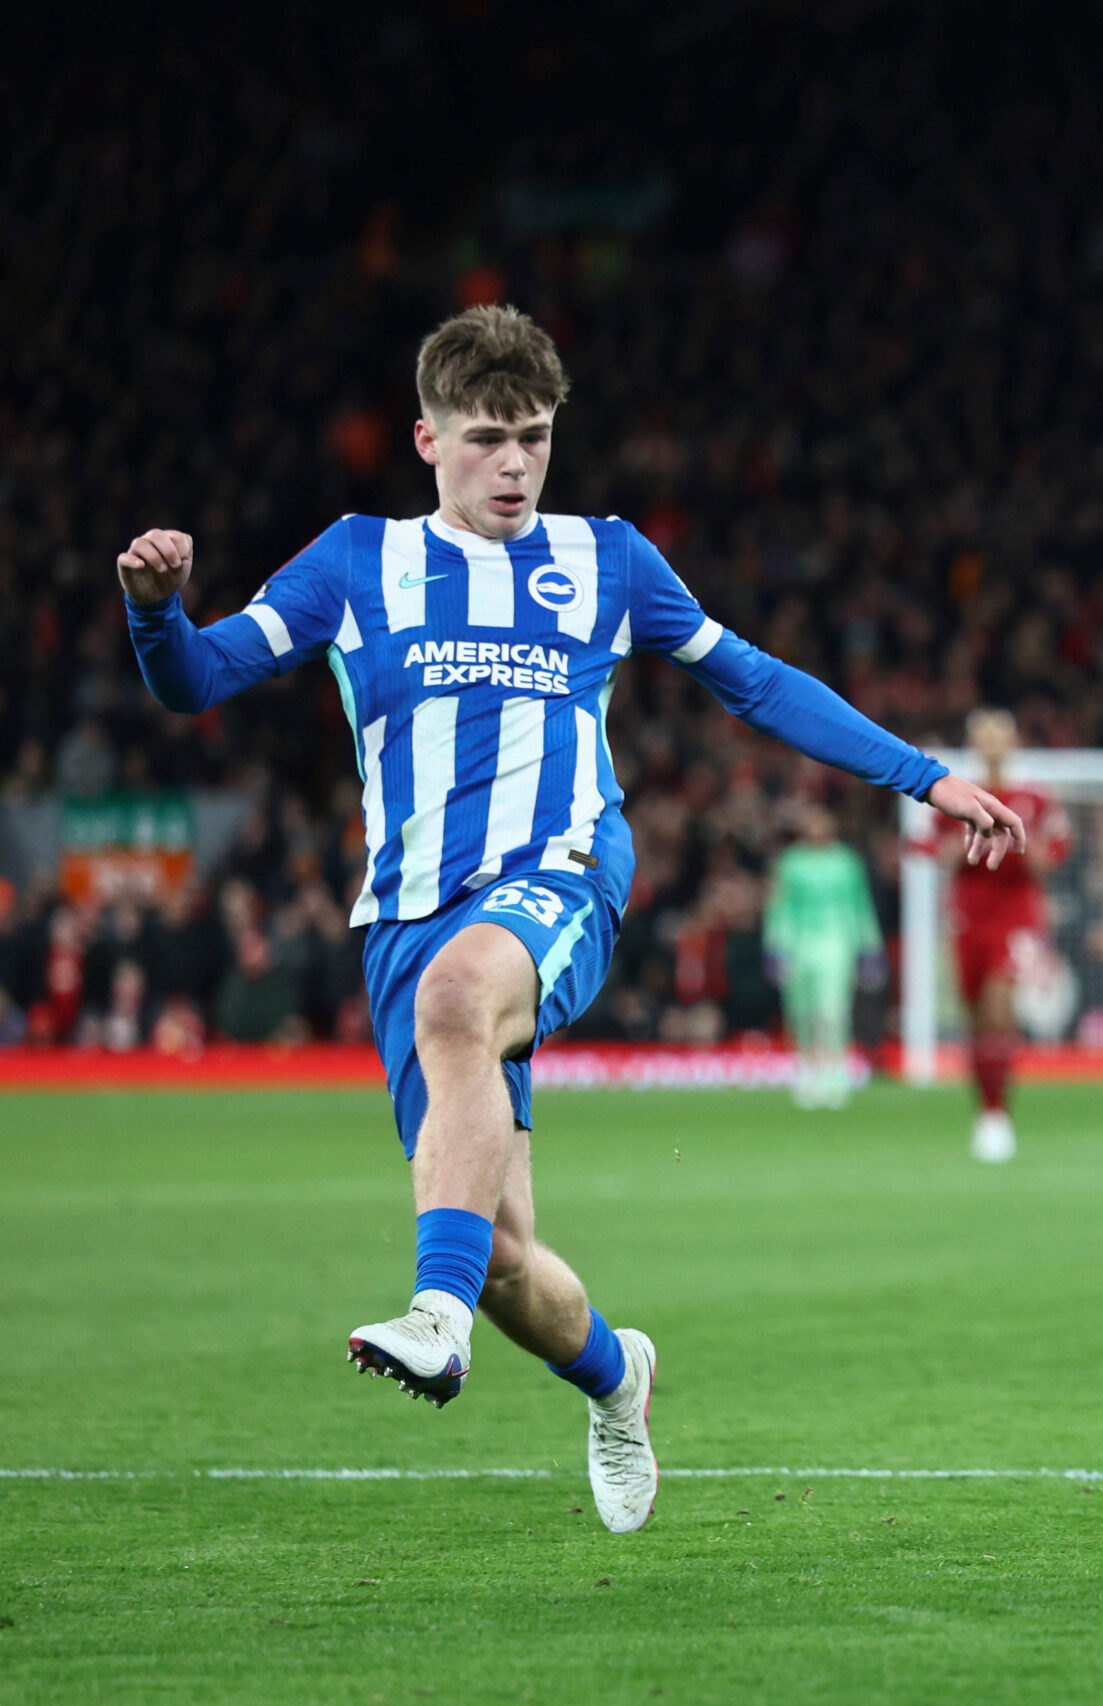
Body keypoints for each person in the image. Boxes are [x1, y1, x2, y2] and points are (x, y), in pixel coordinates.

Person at [118, 306, 1022, 1533]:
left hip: (564, 870)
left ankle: (432, 1317)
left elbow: (754, 680)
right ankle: (613, 1375)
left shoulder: (610, 561)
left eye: (535, 438)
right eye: (487, 438)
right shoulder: (354, 563)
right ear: (428, 439)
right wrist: (155, 610)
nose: (515, 465)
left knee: (459, 1007)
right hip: (407, 914)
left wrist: (924, 775)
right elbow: (197, 678)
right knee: (501, 1254)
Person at [928, 708, 1070, 1162]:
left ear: (1012, 743)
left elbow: (1058, 847)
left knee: (997, 1008)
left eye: (998, 735)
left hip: (1015, 917)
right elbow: (930, 846)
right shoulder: (955, 794)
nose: (991, 743)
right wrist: (952, 850)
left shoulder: (1034, 797)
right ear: (973, 743)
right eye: (983, 736)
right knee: (974, 1021)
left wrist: (1037, 855)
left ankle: (997, 1115)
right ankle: (985, 1111)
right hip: (967, 917)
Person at [764, 801, 885, 1109]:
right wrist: (775, 946)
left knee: (832, 1010)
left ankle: (835, 1074)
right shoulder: (791, 863)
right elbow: (780, 906)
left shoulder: (846, 862)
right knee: (802, 1012)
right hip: (799, 943)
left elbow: (859, 905)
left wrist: (870, 946)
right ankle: (807, 1071)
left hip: (837, 941)